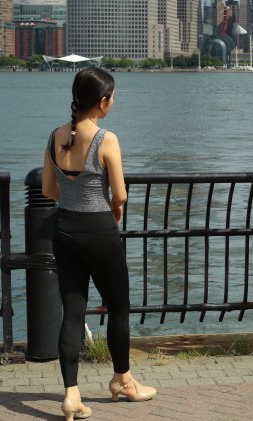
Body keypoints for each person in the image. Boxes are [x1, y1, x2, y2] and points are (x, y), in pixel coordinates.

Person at [42, 67, 156, 421]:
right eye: (112, 97)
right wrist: (115, 209)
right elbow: (119, 194)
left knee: (73, 311)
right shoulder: (106, 139)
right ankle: (123, 381)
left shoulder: (55, 136)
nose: (113, 102)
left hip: (64, 229)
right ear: (103, 101)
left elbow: (48, 189)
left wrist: (72, 200)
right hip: (98, 230)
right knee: (118, 307)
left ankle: (71, 395)